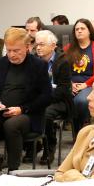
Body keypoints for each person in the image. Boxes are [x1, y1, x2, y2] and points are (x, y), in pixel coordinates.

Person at [0, 27, 51, 178]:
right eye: (8, 50)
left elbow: (46, 96)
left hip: (28, 114)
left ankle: (13, 171)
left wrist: (22, 109)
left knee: (12, 124)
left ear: (27, 47)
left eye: (16, 50)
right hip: (1, 112)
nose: (11, 54)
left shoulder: (38, 66)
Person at [65, 19, 94, 133]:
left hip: (91, 84)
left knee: (81, 101)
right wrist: (70, 84)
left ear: (90, 31)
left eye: (82, 29)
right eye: (77, 29)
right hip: (71, 84)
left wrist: (86, 84)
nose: (79, 31)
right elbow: (62, 70)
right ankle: (77, 132)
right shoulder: (68, 49)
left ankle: (83, 129)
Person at [36, 30, 71, 166]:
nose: (38, 48)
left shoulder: (63, 61)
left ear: (53, 45)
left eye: (42, 44)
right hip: (40, 99)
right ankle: (30, 148)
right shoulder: (34, 60)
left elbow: (63, 89)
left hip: (59, 101)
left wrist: (44, 97)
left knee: (45, 113)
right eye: (37, 44)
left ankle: (49, 147)